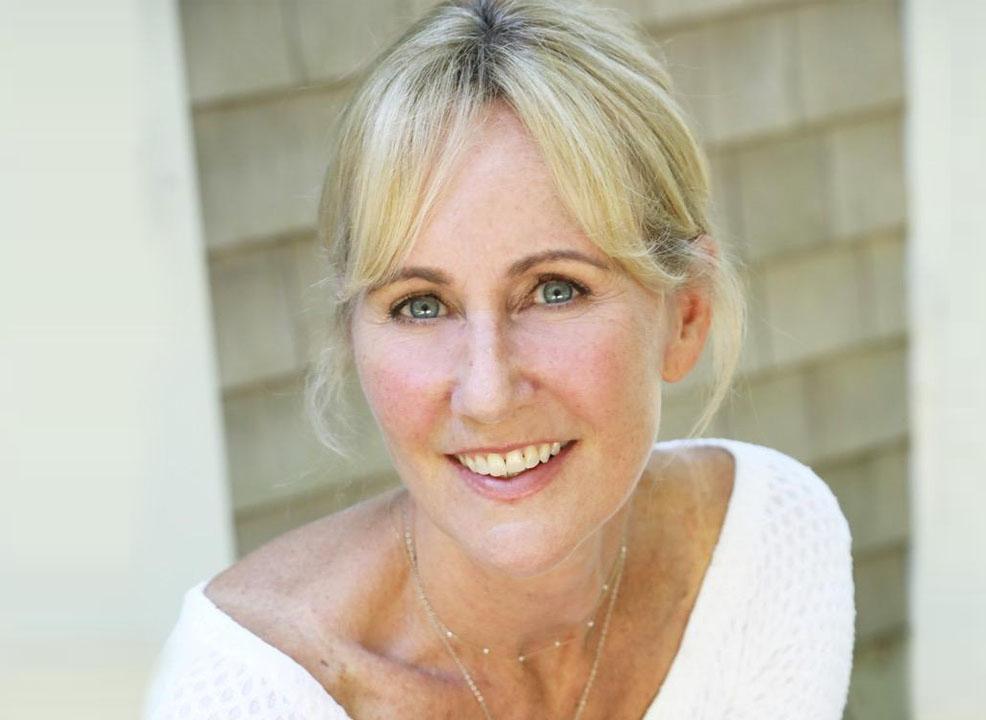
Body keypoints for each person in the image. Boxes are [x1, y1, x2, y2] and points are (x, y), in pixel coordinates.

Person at [143, 1, 855, 718]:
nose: (487, 394)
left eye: (555, 290)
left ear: (686, 316)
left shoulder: (767, 547)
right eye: (421, 304)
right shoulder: (241, 695)